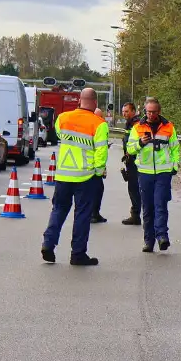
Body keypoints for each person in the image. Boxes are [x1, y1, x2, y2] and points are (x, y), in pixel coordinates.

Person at [40, 88, 107, 266]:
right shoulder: (99, 124)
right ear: (95, 102)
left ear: (79, 100)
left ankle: (48, 243)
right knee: (82, 215)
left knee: (58, 210)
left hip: (63, 174)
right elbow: (101, 152)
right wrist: (99, 172)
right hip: (86, 176)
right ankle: (77, 254)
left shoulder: (63, 118)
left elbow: (60, 134)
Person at [127, 97, 180, 253]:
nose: (150, 115)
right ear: (145, 111)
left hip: (163, 173)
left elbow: (175, 148)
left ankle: (162, 237)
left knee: (160, 205)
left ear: (159, 111)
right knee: (148, 208)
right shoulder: (137, 128)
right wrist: (140, 143)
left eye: (154, 112)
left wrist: (174, 166)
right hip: (144, 173)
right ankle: (148, 241)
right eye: (148, 112)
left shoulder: (169, 127)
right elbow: (130, 149)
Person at [119, 102, 142, 225]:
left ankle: (136, 215)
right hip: (131, 160)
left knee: (134, 188)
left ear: (133, 111)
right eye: (123, 111)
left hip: (136, 161)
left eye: (127, 111)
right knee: (133, 188)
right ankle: (136, 214)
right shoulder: (129, 124)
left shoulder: (136, 124)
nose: (124, 114)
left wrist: (130, 154)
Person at [91, 103, 108, 224]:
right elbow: (100, 150)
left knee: (98, 190)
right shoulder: (96, 127)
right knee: (95, 191)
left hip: (95, 164)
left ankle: (95, 213)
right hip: (93, 166)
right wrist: (100, 169)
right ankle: (93, 214)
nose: (101, 119)